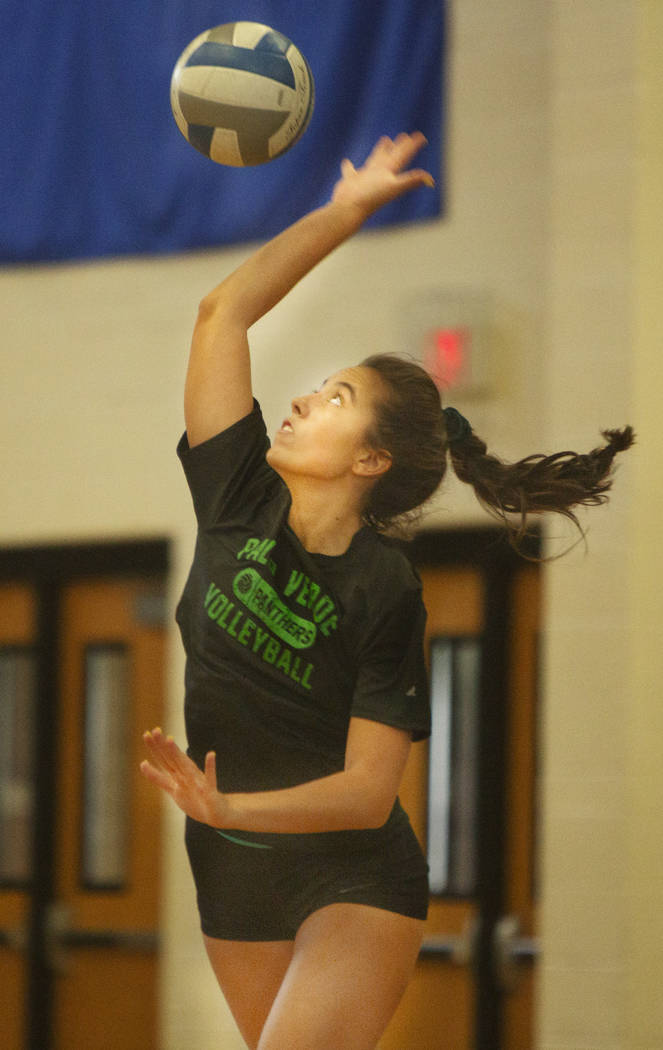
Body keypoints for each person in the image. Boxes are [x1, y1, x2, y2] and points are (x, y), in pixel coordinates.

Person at [140, 133, 633, 1050]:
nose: (300, 401)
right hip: (229, 864)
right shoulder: (234, 493)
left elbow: (369, 794)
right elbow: (222, 313)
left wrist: (229, 805)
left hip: (349, 874)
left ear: (370, 459)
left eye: (333, 398)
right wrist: (347, 211)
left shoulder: (382, 589)